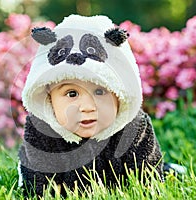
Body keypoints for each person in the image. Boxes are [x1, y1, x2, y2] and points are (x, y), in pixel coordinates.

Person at [18, 14, 164, 197]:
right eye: (72, 94)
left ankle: (171, 168)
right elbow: (38, 191)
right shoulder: (41, 130)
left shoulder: (135, 129)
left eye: (100, 91)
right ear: (49, 97)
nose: (87, 107)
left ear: (120, 93)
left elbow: (150, 182)